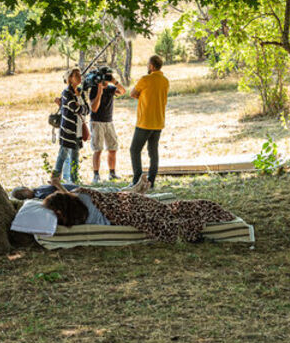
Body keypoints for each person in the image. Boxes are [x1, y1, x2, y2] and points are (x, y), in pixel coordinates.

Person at [42, 178, 235, 243]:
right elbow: (101, 194)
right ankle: (206, 209)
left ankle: (191, 228)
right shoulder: (79, 193)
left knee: (160, 223)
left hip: (126, 210)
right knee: (169, 210)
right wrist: (59, 187)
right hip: (130, 200)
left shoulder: (78, 220)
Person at [128, 55, 169, 188]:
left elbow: (133, 93)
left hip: (145, 122)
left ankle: (137, 180)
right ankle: (151, 182)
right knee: (153, 152)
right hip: (158, 122)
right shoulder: (165, 81)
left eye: (147, 64)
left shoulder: (145, 79)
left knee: (134, 150)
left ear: (151, 66)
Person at [50, 68, 88, 187]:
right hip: (68, 130)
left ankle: (74, 182)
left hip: (78, 130)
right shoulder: (66, 93)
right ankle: (55, 180)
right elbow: (75, 108)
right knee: (63, 154)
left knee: (75, 157)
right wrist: (81, 107)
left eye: (79, 75)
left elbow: (87, 110)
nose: (79, 77)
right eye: (76, 75)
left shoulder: (80, 92)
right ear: (70, 79)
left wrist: (80, 107)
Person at [88, 68, 126, 183]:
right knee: (97, 149)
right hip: (97, 121)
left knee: (113, 148)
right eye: (106, 76)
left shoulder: (111, 89)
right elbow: (94, 108)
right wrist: (100, 90)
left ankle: (112, 173)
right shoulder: (94, 89)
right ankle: (96, 175)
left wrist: (114, 82)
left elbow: (123, 91)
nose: (106, 79)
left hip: (109, 121)